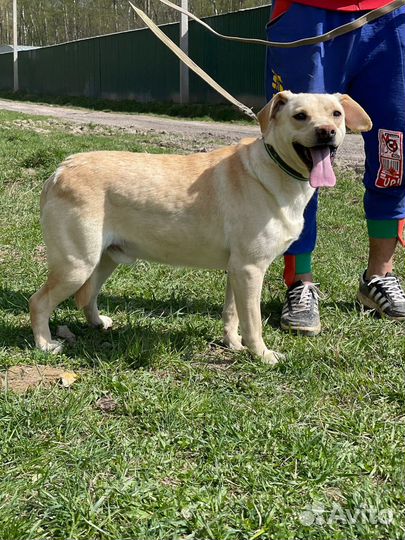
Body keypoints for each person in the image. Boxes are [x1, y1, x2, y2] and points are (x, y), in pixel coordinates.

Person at [265, 0, 405, 335]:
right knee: (297, 150)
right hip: (308, 13)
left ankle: (379, 277)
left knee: (395, 151)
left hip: (390, 14)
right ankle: (300, 282)